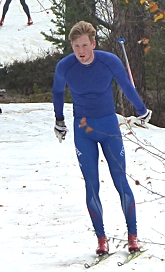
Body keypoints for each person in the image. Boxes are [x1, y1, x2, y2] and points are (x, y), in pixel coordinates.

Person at [52, 21, 152, 256]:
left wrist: (141, 110)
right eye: (76, 46)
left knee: (120, 181)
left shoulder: (109, 61)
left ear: (93, 44)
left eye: (85, 45)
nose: (81, 51)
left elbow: (126, 86)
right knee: (92, 184)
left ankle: (132, 236)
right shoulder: (65, 66)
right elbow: (57, 92)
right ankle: (101, 239)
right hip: (83, 130)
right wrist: (59, 120)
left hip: (108, 127)